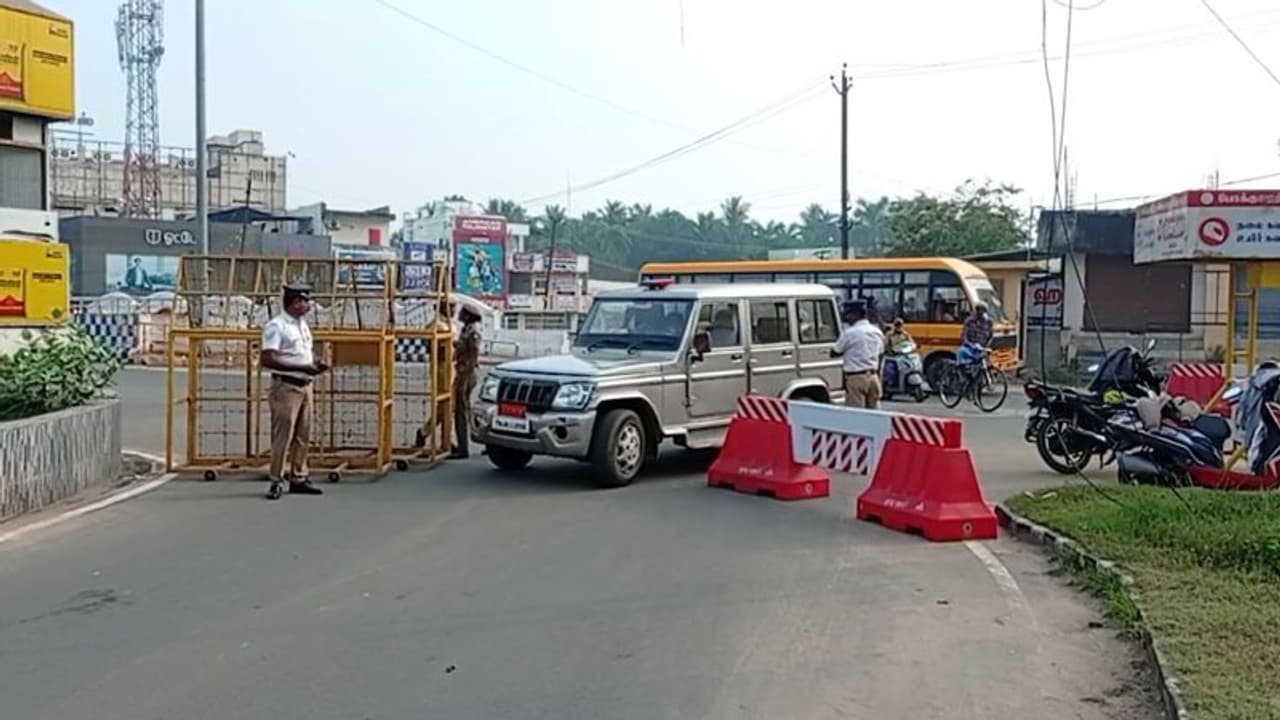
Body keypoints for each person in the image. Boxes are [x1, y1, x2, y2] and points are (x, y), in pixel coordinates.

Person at [259, 283, 329, 500]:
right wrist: (302, 367)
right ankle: (276, 479)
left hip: (305, 385)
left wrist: (314, 365)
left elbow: (300, 354)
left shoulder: (302, 325)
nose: (307, 305)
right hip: (286, 386)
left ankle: (298, 476)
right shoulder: (277, 326)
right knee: (284, 436)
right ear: (293, 302)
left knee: (303, 435)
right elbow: (268, 358)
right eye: (303, 301)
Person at [831, 300, 885, 409]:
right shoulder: (877, 332)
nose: (847, 319)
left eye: (849, 315)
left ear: (856, 315)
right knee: (875, 413)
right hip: (873, 378)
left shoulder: (850, 333)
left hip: (856, 378)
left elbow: (835, 352)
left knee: (856, 415)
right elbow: (880, 353)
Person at [449, 305, 483, 459]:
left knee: (461, 412)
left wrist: (466, 370)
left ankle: (463, 448)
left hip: (466, 374)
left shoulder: (472, 332)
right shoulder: (467, 330)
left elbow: (473, 352)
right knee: (463, 410)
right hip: (464, 372)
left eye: (463, 313)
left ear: (468, 316)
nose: (459, 315)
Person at [960, 302, 994, 375]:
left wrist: (986, 347)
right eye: (978, 309)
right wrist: (969, 344)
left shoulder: (989, 322)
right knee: (962, 355)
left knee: (985, 364)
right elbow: (964, 335)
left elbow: (991, 336)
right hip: (970, 347)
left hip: (982, 348)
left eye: (982, 310)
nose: (980, 312)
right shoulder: (969, 321)